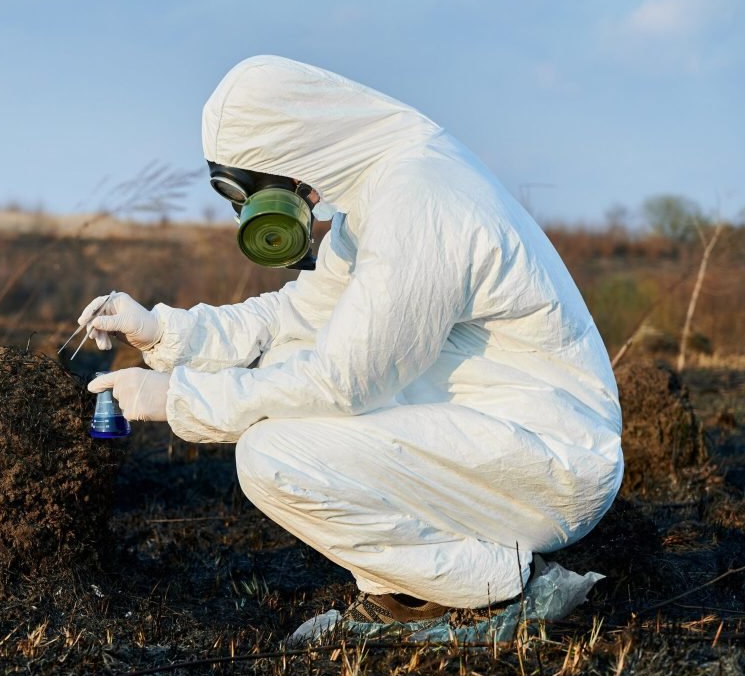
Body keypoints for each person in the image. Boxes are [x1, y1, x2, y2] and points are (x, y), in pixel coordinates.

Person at [82, 55, 622, 626]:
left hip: (554, 459)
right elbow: (293, 318)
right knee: (291, 369)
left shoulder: (420, 200)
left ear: (291, 146)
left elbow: (342, 381)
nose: (272, 206)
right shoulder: (375, 196)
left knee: (272, 457)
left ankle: (496, 585)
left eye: (256, 188)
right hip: (495, 428)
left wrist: (177, 400)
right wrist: (162, 331)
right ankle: (416, 585)